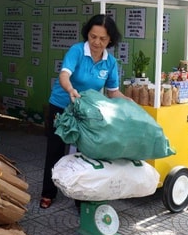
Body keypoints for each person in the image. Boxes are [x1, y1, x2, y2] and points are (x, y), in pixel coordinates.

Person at [40, 14, 130, 209]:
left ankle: (81, 198)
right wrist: (70, 89)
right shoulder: (77, 51)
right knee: (55, 150)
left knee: (86, 153)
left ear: (110, 40)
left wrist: (128, 102)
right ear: (87, 34)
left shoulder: (110, 62)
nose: (96, 42)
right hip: (62, 105)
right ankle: (48, 192)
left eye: (102, 38)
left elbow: (113, 91)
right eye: (92, 36)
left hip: (85, 111)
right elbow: (65, 75)